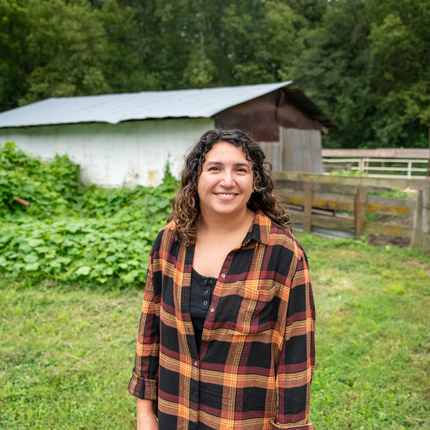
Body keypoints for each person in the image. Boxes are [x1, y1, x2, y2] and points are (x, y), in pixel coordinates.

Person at [129, 129, 315, 430]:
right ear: (196, 178)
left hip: (242, 420)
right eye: (215, 168)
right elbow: (150, 332)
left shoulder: (283, 253)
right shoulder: (170, 241)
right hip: (175, 416)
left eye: (240, 170)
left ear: (255, 181)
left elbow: (296, 357)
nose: (227, 181)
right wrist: (145, 413)